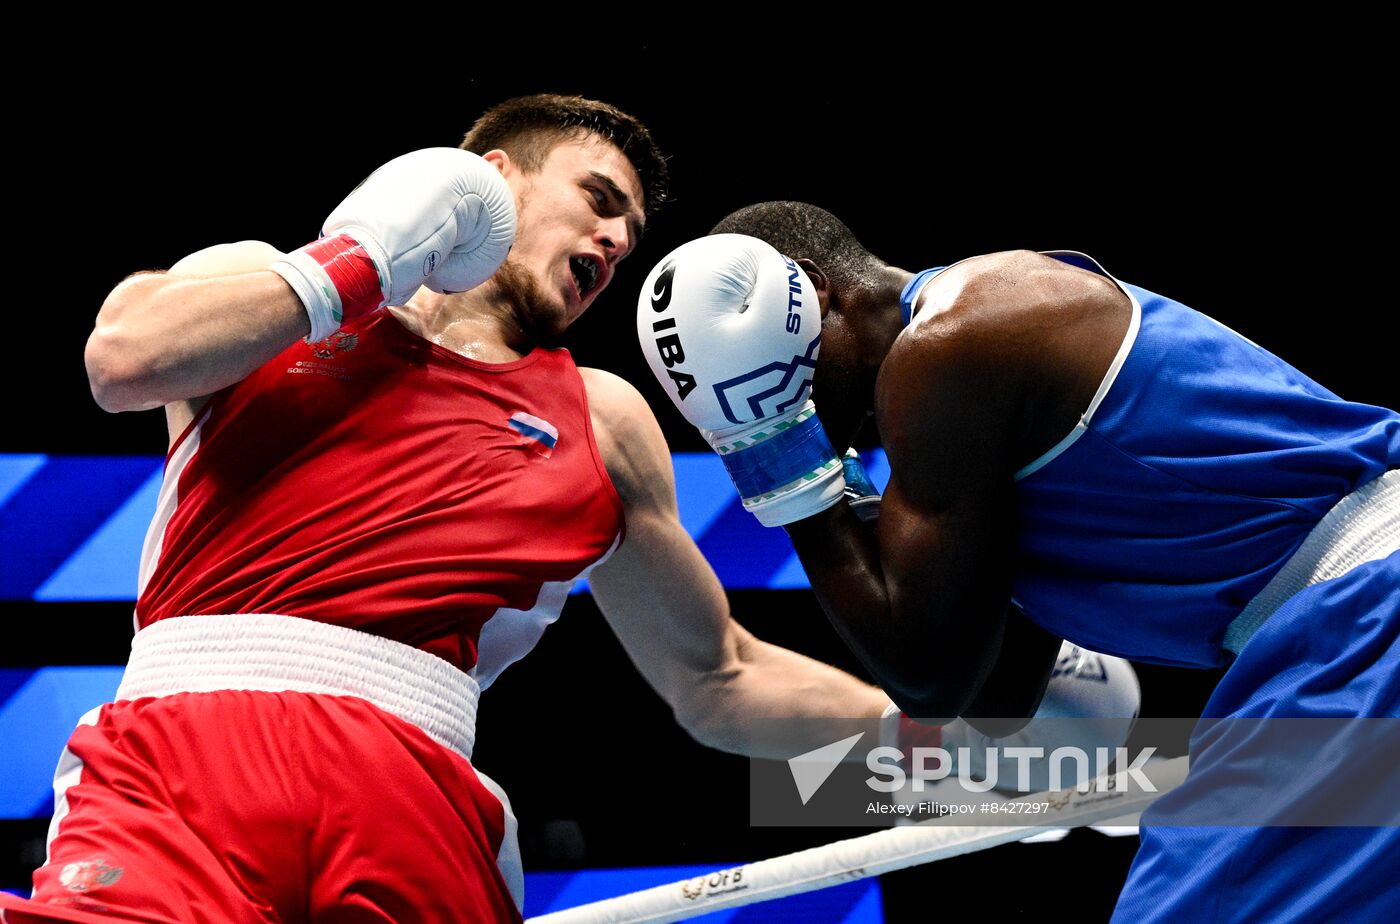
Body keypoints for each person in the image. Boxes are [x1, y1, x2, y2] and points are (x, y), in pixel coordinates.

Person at [0, 98, 911, 924]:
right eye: (596, 199)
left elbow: (720, 678)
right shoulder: (257, 285)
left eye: (627, 236)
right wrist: (362, 261)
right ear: (491, 181)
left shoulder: (598, 416)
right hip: (181, 761)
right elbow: (121, 362)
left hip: (412, 791)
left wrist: (971, 756)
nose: (612, 239)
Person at [638, 204, 1398, 923]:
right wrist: (848, 495)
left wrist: (780, 459)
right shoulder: (951, 415)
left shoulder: (955, 343)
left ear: (810, 292)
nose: (761, 412)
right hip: (1332, 634)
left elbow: (923, 679)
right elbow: (990, 692)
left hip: (1367, 613)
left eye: (753, 386)